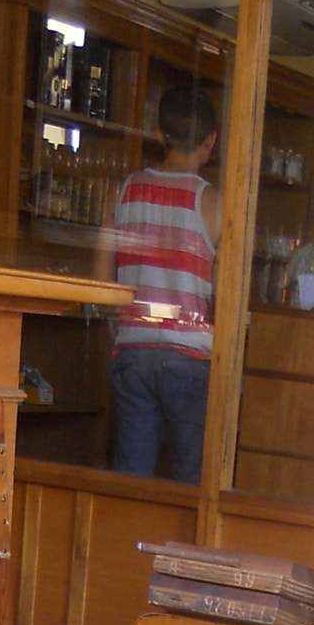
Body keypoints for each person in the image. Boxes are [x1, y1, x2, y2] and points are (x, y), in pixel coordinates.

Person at [99, 85, 221, 487]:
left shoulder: (124, 191)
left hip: (133, 350)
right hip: (189, 356)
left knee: (131, 478)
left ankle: (124, 546)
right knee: (191, 480)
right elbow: (223, 293)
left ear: (158, 133)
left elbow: (101, 283)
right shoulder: (213, 203)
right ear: (211, 140)